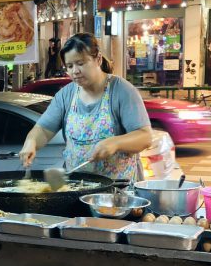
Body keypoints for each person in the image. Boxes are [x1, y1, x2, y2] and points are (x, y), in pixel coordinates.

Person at [19, 33, 152, 181]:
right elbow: (43, 130)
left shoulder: (121, 91)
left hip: (116, 192)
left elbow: (145, 137)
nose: (75, 71)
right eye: (69, 66)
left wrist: (116, 143)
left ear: (98, 59)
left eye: (81, 63)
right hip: (77, 187)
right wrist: (31, 142)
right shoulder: (66, 95)